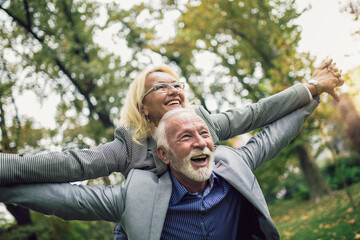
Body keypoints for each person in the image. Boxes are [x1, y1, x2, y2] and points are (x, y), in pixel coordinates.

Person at [0, 103, 319, 239]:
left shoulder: (232, 165)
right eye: (186, 137)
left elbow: (274, 136)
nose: (201, 143)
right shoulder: (135, 195)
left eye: (204, 134)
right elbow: (65, 198)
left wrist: (312, 96)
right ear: (164, 154)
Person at [0, 60, 343, 185]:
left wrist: (311, 87)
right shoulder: (129, 148)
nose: (174, 90)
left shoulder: (204, 124)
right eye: (161, 86)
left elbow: (258, 113)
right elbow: (71, 164)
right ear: (143, 106)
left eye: (177, 84)